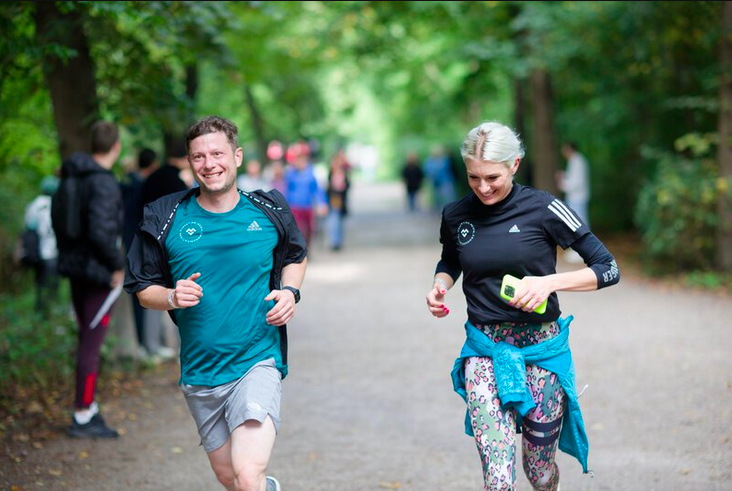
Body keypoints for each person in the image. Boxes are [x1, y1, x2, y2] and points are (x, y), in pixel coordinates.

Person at [425, 122, 620, 491]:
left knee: (539, 471)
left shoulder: (545, 208)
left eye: (492, 177)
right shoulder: (455, 214)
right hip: (484, 350)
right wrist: (440, 284)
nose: (483, 187)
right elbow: (450, 260)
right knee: (498, 477)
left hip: (542, 351)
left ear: (514, 164)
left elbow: (608, 268)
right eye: (473, 177)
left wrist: (549, 282)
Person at [125, 116, 307, 491]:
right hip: (201, 373)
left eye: (218, 154)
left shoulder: (267, 210)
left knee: (247, 472)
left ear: (236, 156)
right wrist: (172, 296)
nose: (209, 164)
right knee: (232, 479)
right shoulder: (165, 217)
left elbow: (295, 255)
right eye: (199, 156)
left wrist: (290, 292)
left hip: (257, 360)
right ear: (190, 162)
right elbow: (143, 288)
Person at [52, 120, 125, 439]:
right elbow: (100, 232)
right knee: (91, 344)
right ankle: (83, 414)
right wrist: (117, 265)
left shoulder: (70, 177)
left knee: (86, 338)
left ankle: (88, 407)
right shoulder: (103, 182)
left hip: (74, 267)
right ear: (116, 146)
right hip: (98, 273)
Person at [120, 147, 159, 354]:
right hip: (140, 244)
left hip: (125, 243)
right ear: (153, 164)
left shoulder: (125, 184)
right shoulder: (144, 187)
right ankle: (145, 344)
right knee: (144, 291)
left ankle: (141, 344)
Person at [23, 175, 60, 314]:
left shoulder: (34, 204)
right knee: (52, 284)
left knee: (40, 284)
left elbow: (28, 227)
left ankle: (40, 312)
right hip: (53, 252)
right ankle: (51, 312)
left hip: (37, 252)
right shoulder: (57, 204)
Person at [284, 142, 328, 247]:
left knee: (310, 229)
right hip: (294, 206)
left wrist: (322, 203)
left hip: (308, 206)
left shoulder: (314, 171)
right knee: (298, 229)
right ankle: (299, 249)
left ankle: (307, 248)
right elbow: (286, 190)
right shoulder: (290, 173)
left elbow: (318, 190)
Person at [556, 142, 590, 264]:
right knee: (575, 223)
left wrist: (563, 184)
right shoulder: (575, 161)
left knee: (579, 223)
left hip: (578, 197)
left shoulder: (577, 161)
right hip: (575, 197)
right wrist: (564, 177)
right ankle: (579, 250)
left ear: (569, 149)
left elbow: (577, 182)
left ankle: (583, 251)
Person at [326, 149, 351, 251]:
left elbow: (347, 185)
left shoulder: (344, 172)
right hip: (333, 199)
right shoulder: (332, 173)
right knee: (334, 220)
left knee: (339, 221)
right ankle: (335, 242)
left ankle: (338, 241)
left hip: (341, 200)